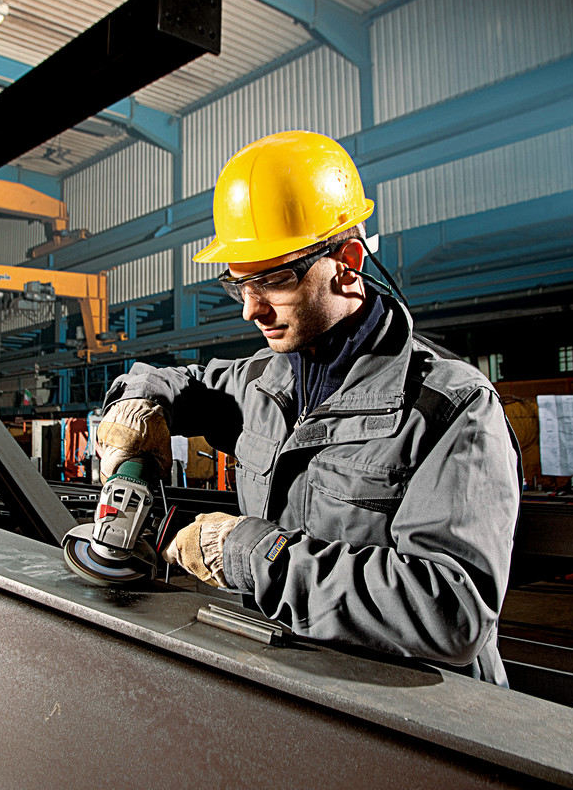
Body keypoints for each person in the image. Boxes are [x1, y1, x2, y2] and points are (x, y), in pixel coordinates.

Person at [96, 131, 522, 685]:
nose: (251, 309)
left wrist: (249, 554)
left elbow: (450, 614)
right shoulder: (261, 382)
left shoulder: (450, 408)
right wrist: (138, 406)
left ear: (347, 263)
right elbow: (171, 380)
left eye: (274, 279)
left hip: (410, 711)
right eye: (238, 284)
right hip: (287, 681)